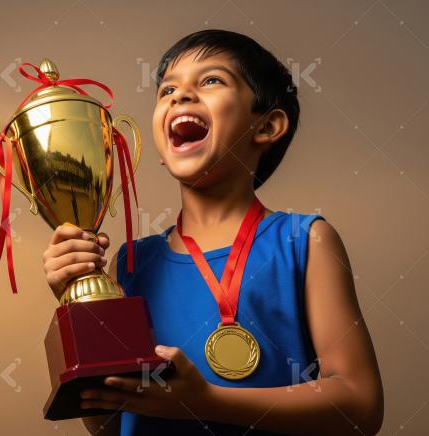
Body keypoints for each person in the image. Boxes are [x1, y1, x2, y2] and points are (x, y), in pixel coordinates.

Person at [41, 29, 383, 435]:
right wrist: (77, 300)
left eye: (210, 80)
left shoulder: (305, 241)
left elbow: (360, 406)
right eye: (167, 88)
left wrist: (206, 403)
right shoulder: (131, 264)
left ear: (268, 125)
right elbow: (106, 423)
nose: (179, 95)